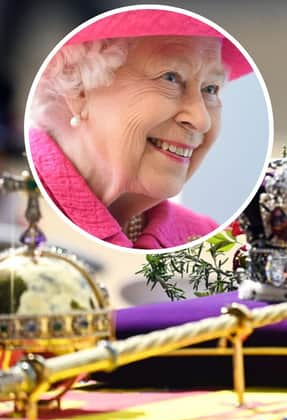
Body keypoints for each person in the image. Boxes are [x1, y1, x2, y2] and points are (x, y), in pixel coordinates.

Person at [27, 7, 253, 249]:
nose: (201, 120)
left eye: (211, 89)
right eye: (170, 77)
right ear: (80, 89)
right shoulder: (20, 210)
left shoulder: (206, 238)